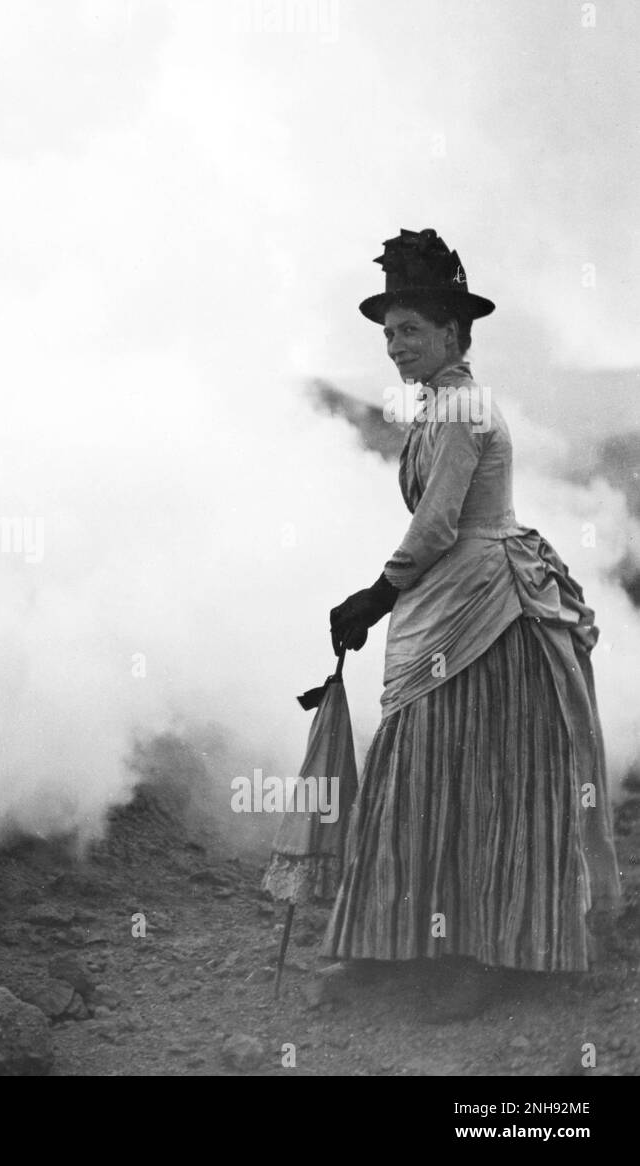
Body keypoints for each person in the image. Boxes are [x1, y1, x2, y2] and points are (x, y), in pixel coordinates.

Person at [321, 227, 622, 1022]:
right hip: (452, 602)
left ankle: (488, 956)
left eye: (411, 330)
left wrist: (370, 600)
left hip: (486, 612)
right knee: (429, 766)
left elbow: (438, 528)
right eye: (388, 334)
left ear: (455, 333)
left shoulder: (461, 411)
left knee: (479, 778)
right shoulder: (440, 406)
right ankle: (405, 942)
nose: (396, 347)